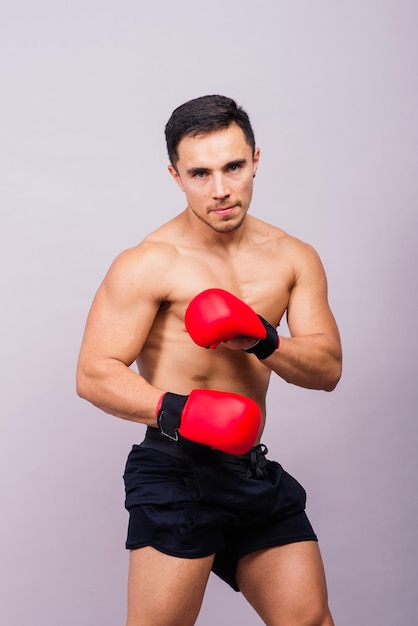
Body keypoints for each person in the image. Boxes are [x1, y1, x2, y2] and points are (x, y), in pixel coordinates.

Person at [76, 94, 342, 626]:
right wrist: (182, 411)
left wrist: (264, 339)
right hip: (177, 469)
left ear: (256, 160)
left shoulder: (293, 256)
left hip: (250, 469)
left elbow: (327, 368)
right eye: (200, 173)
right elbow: (93, 373)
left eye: (233, 167)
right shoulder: (149, 262)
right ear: (175, 175)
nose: (220, 190)